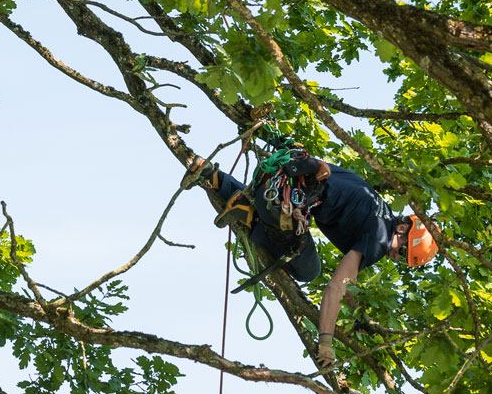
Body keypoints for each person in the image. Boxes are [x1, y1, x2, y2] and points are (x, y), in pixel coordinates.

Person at [184, 154, 438, 367]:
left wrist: (359, 313)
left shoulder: (376, 208)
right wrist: (325, 340)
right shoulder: (380, 239)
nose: (395, 257)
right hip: (282, 206)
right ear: (404, 231)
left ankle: (210, 174)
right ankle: (249, 215)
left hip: (276, 183)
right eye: (402, 253)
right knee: (309, 270)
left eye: (403, 261)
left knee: (297, 232)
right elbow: (338, 284)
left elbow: (350, 281)